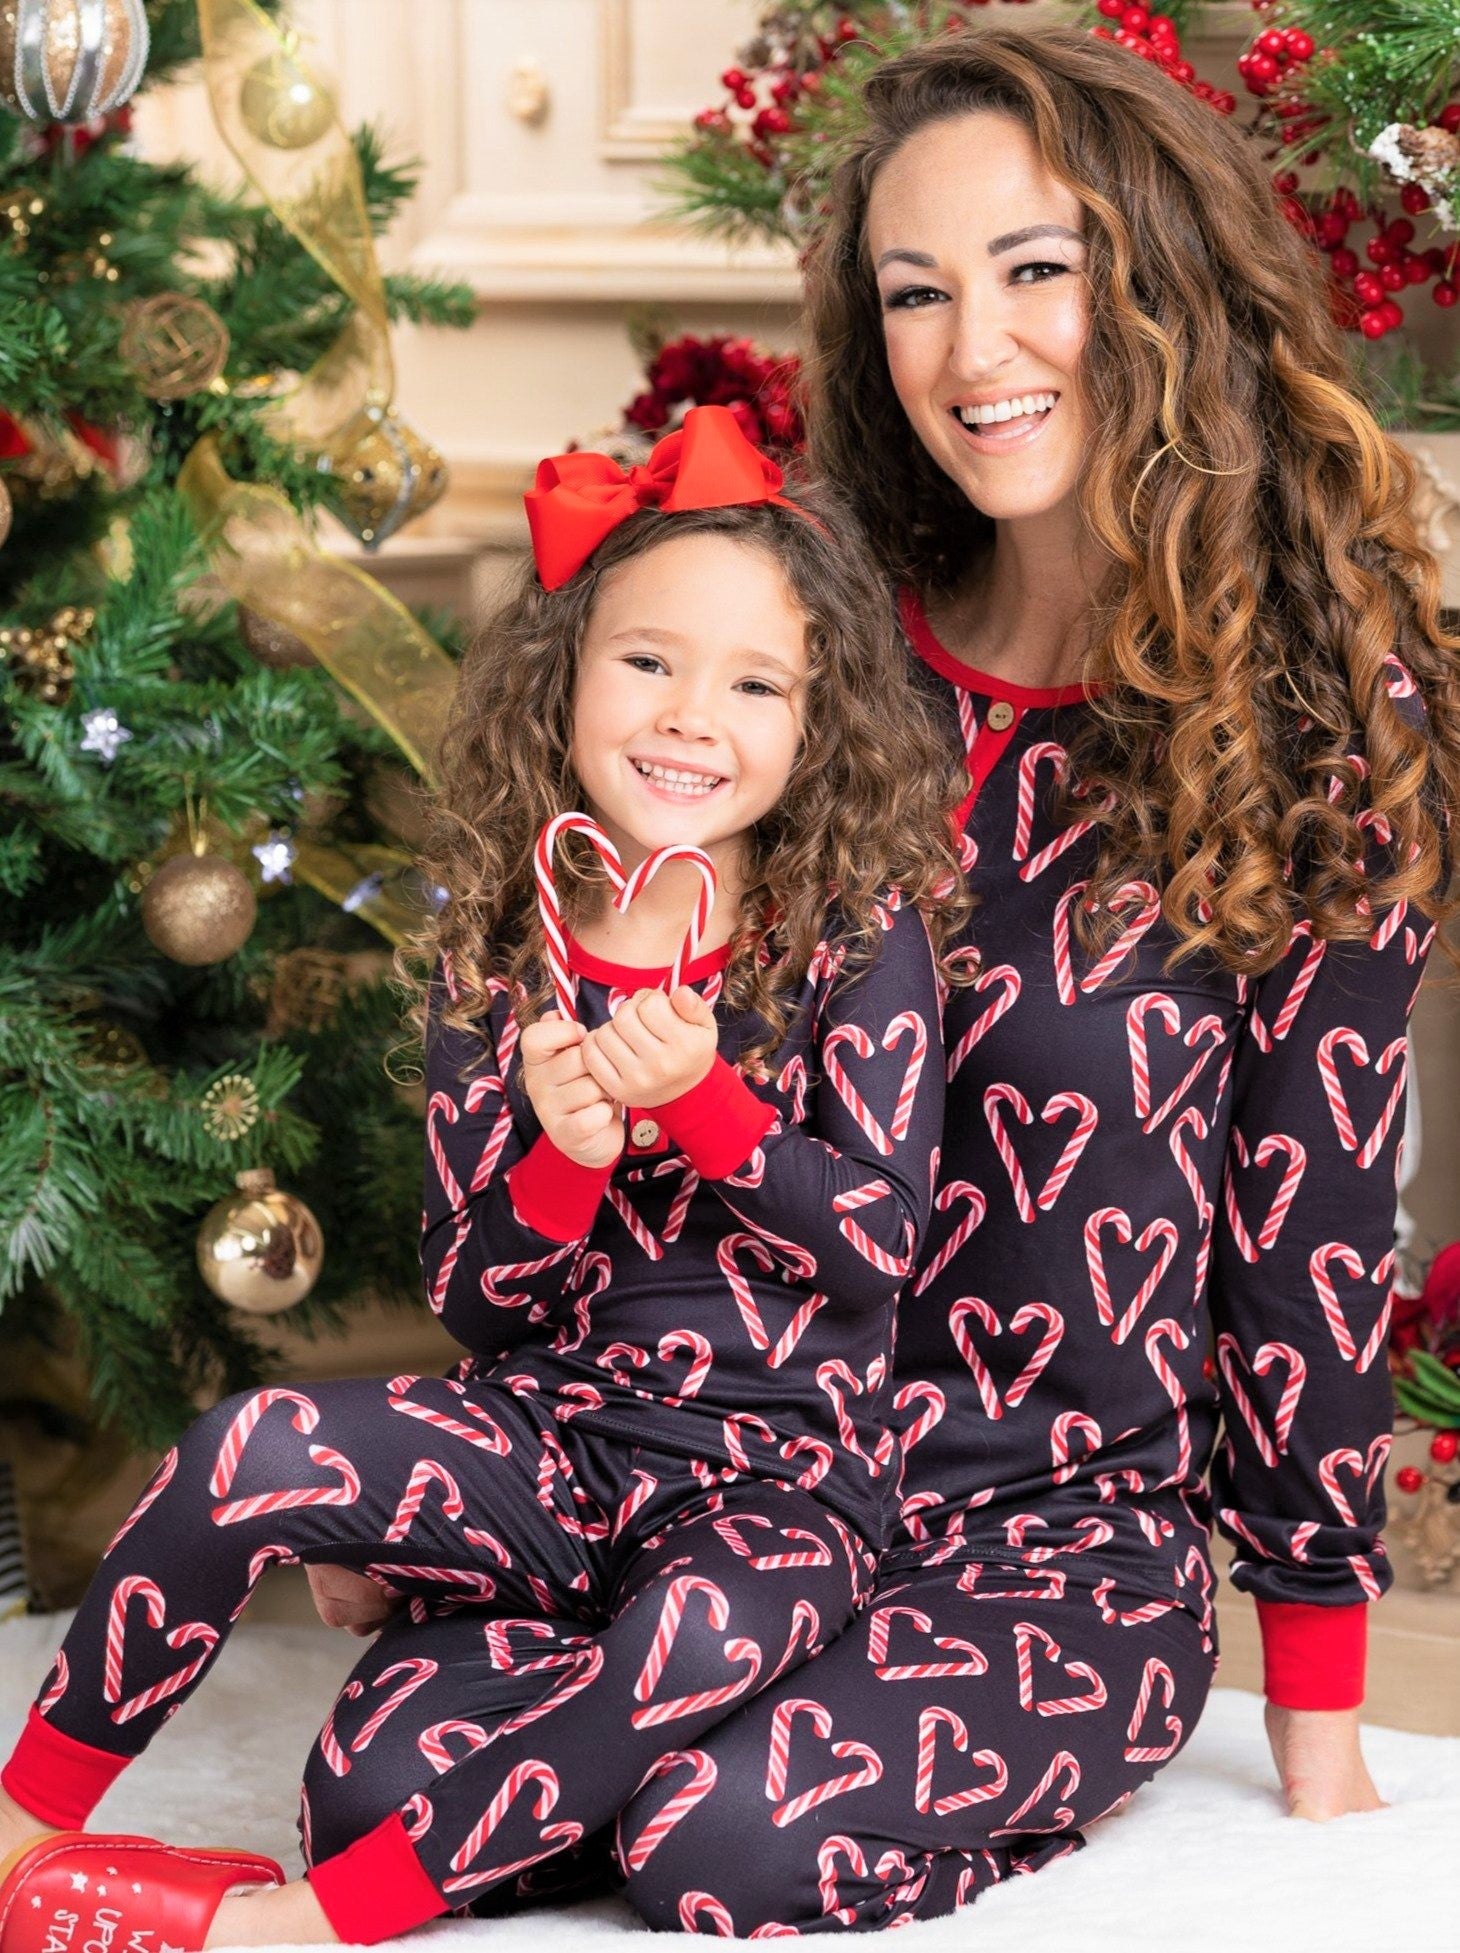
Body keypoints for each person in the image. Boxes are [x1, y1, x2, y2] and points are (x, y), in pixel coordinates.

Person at [612, 24, 1460, 1934]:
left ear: (1162, 282)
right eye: (915, 292)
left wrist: (1319, 1732)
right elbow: (637, 1064)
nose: (972, 349)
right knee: (398, 1766)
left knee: (714, 1841)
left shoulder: (1321, 724)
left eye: (1035, 270)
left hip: (1056, 1547)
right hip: (728, 1467)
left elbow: (1313, 1231)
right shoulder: (806, 657)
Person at [0, 406, 970, 1951]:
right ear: (563, 673)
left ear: (820, 720)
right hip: (548, 1450)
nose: (690, 715)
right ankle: (25, 1824)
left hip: (773, 1488)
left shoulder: (852, 934)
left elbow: (874, 1249)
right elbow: (479, 1301)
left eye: (754, 683)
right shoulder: (502, 944)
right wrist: (563, 1166)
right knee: (259, 1464)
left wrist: (708, 1104)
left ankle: (305, 1924)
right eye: (647, 659)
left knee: (690, 1636)